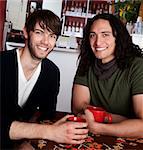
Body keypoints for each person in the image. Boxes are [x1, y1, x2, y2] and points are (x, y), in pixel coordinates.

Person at [1, 10, 88, 149]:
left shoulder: (51, 73)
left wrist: (27, 142)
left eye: (52, 36)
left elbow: (46, 116)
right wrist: (49, 132)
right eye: (39, 32)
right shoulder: (3, 63)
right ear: (25, 32)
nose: (46, 42)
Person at [72, 13, 143, 138]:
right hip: (93, 137)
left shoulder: (137, 66)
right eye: (92, 35)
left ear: (118, 38)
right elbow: (78, 107)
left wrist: (100, 127)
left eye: (105, 34)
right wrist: (110, 117)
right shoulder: (87, 63)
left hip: (129, 138)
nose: (98, 42)